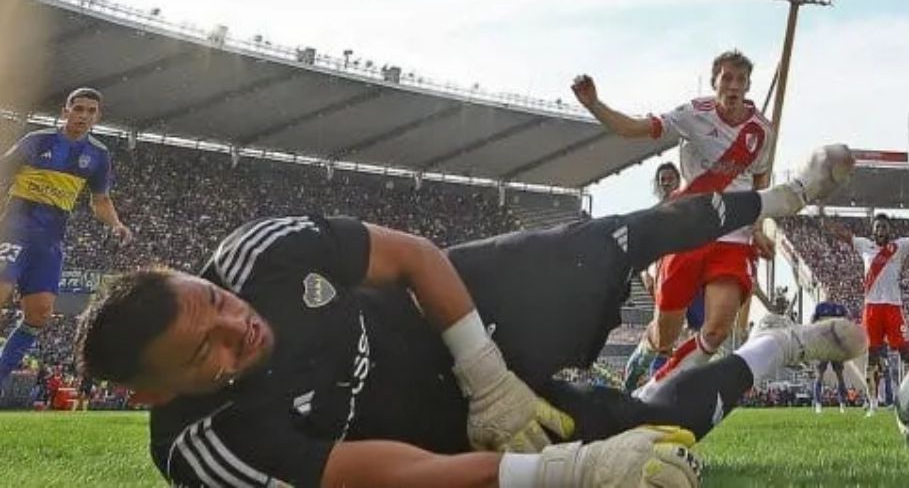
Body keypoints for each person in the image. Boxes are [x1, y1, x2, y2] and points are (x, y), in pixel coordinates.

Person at [75, 145, 859, 488]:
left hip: (455, 309)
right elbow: (376, 475)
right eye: (203, 349)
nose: (234, 323)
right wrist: (562, 471)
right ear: (153, 393)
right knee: (650, 443)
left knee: (613, 235)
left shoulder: (254, 253)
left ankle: (779, 195)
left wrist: (487, 372)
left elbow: (414, 254)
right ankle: (783, 345)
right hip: (442, 432)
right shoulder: (207, 448)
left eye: (212, 302)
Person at [571, 49, 775, 401]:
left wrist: (757, 229)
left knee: (716, 330)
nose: (733, 86)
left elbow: (759, 185)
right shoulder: (694, 114)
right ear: (715, 82)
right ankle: (642, 360)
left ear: (748, 86)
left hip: (734, 238)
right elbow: (635, 128)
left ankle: (659, 393)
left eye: (740, 80)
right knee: (665, 336)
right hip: (688, 232)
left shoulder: (762, 131)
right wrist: (595, 105)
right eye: (726, 78)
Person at [0, 88, 133, 388]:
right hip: (15, 230)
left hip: (50, 242)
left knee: (40, 313)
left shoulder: (98, 155)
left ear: (98, 117)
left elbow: (100, 200)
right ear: (66, 111)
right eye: (79, 109)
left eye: (90, 111)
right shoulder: (37, 141)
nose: (83, 115)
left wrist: (116, 224)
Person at [825, 207, 909, 415]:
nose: (881, 229)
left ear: (889, 230)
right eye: (878, 227)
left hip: (893, 307)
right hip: (872, 308)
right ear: (873, 230)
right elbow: (843, 235)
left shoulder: (899, 247)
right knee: (873, 355)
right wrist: (824, 218)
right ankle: (873, 402)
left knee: (906, 353)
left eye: (884, 226)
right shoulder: (864, 246)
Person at [623, 162, 707, 393]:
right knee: (662, 341)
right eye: (662, 179)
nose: (667, 182)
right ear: (658, 185)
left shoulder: (693, 208)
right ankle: (639, 382)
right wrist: (646, 275)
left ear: (679, 180)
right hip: (668, 279)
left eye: (670, 178)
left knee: (704, 332)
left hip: (695, 280)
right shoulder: (654, 216)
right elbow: (643, 249)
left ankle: (684, 387)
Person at [810, 300, 851, 414]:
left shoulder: (840, 307)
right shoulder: (820, 307)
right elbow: (812, 322)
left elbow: (847, 323)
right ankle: (818, 404)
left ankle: (842, 404)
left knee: (839, 375)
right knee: (819, 375)